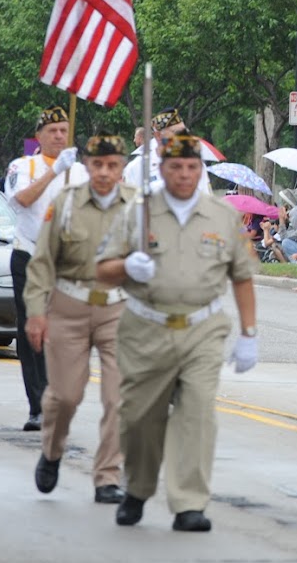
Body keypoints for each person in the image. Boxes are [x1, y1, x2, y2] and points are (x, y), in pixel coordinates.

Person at [96, 133, 259, 532]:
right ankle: (137, 487)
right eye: (176, 167)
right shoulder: (139, 212)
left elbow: (241, 277)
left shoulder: (222, 215)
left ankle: (189, 502)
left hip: (202, 329)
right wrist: (127, 267)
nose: (184, 174)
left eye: (192, 167)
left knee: (198, 413)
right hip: (146, 328)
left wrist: (249, 333)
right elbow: (102, 269)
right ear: (163, 169)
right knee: (139, 418)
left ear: (200, 170)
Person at [23, 132, 134, 504]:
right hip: (68, 307)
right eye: (97, 164)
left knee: (119, 397)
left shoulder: (137, 206)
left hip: (117, 309)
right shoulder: (66, 203)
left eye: (112, 165)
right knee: (65, 396)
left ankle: (107, 477)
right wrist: (36, 313)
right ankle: (52, 451)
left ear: (121, 169)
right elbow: (41, 263)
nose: (104, 172)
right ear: (87, 166)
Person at [5, 105, 85, 431]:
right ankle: (37, 404)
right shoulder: (23, 165)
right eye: (52, 131)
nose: (58, 136)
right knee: (32, 331)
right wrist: (54, 172)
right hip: (30, 256)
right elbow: (22, 199)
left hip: (67, 261)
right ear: (39, 135)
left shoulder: (79, 172)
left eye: (64, 131)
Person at [123, 107, 211, 194]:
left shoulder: (196, 165)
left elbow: (205, 202)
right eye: (176, 133)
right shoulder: (136, 168)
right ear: (158, 136)